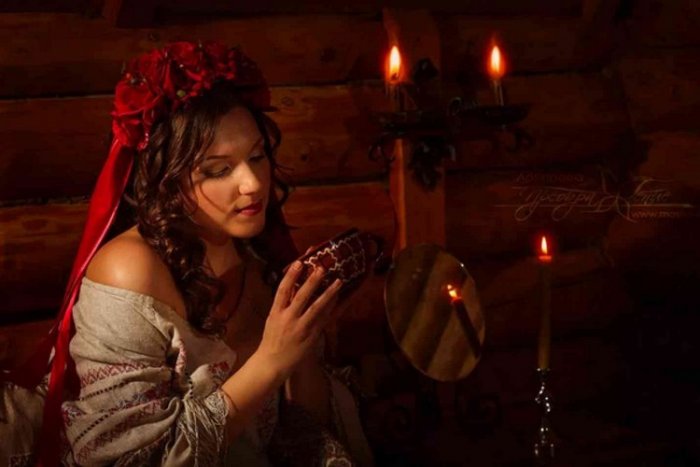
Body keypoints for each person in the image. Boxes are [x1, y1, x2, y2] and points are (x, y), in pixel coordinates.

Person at [0, 41, 374, 466]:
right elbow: (135, 459)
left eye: (257, 156)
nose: (253, 183)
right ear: (167, 179)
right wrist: (271, 360)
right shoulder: (130, 269)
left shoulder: (259, 257)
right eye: (219, 169)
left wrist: (302, 345)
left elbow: (302, 430)